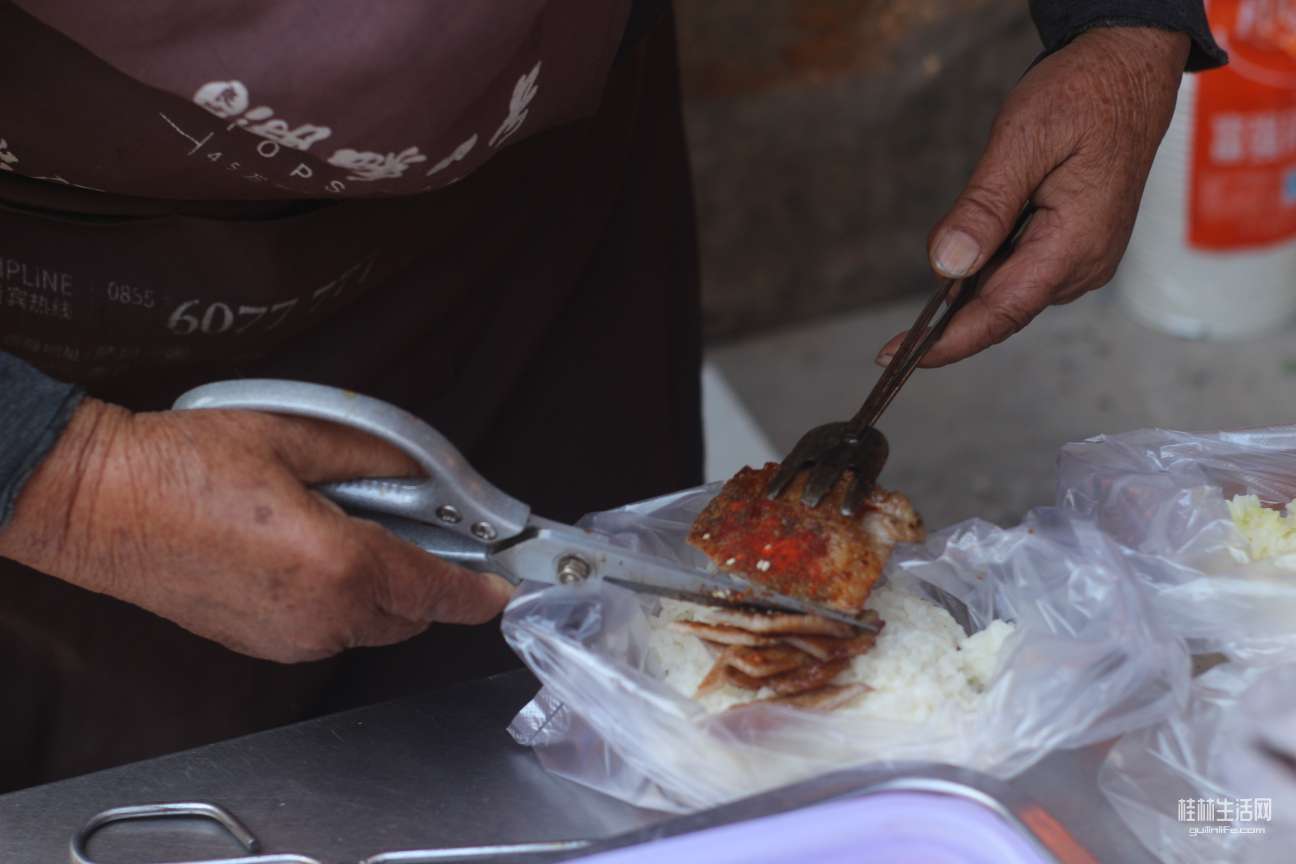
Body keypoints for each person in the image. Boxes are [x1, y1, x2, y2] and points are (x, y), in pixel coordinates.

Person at [0, 1, 1223, 791]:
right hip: (77, 300)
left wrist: (1121, 19)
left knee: (610, 748)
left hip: (535, 204)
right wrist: (74, 485)